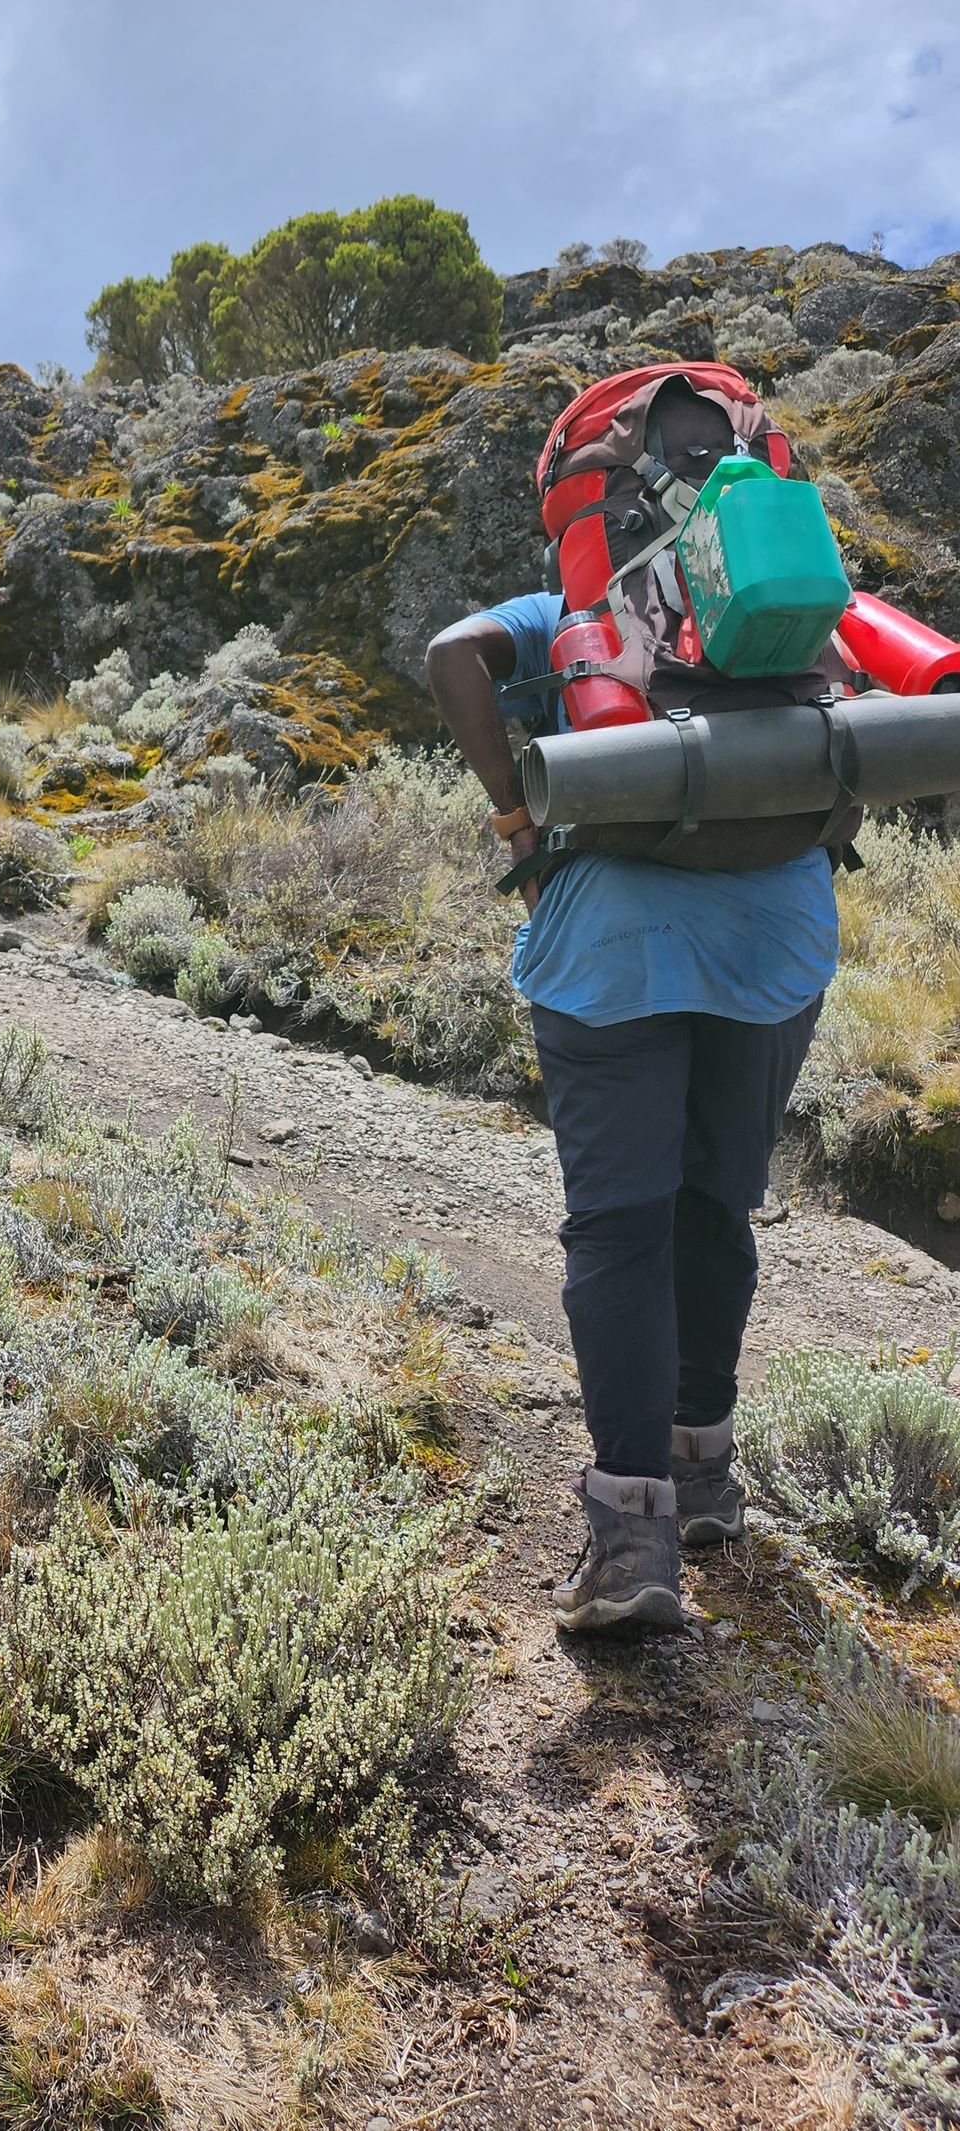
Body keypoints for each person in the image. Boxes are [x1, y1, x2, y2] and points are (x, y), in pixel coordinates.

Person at [425, 378, 839, 1635]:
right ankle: (704, 1475)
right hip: (775, 937)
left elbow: (453, 660)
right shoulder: (788, 600)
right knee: (716, 1204)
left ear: (580, 500)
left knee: (617, 1229)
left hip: (609, 946)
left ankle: (630, 1546)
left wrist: (513, 808)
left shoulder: (569, 605)